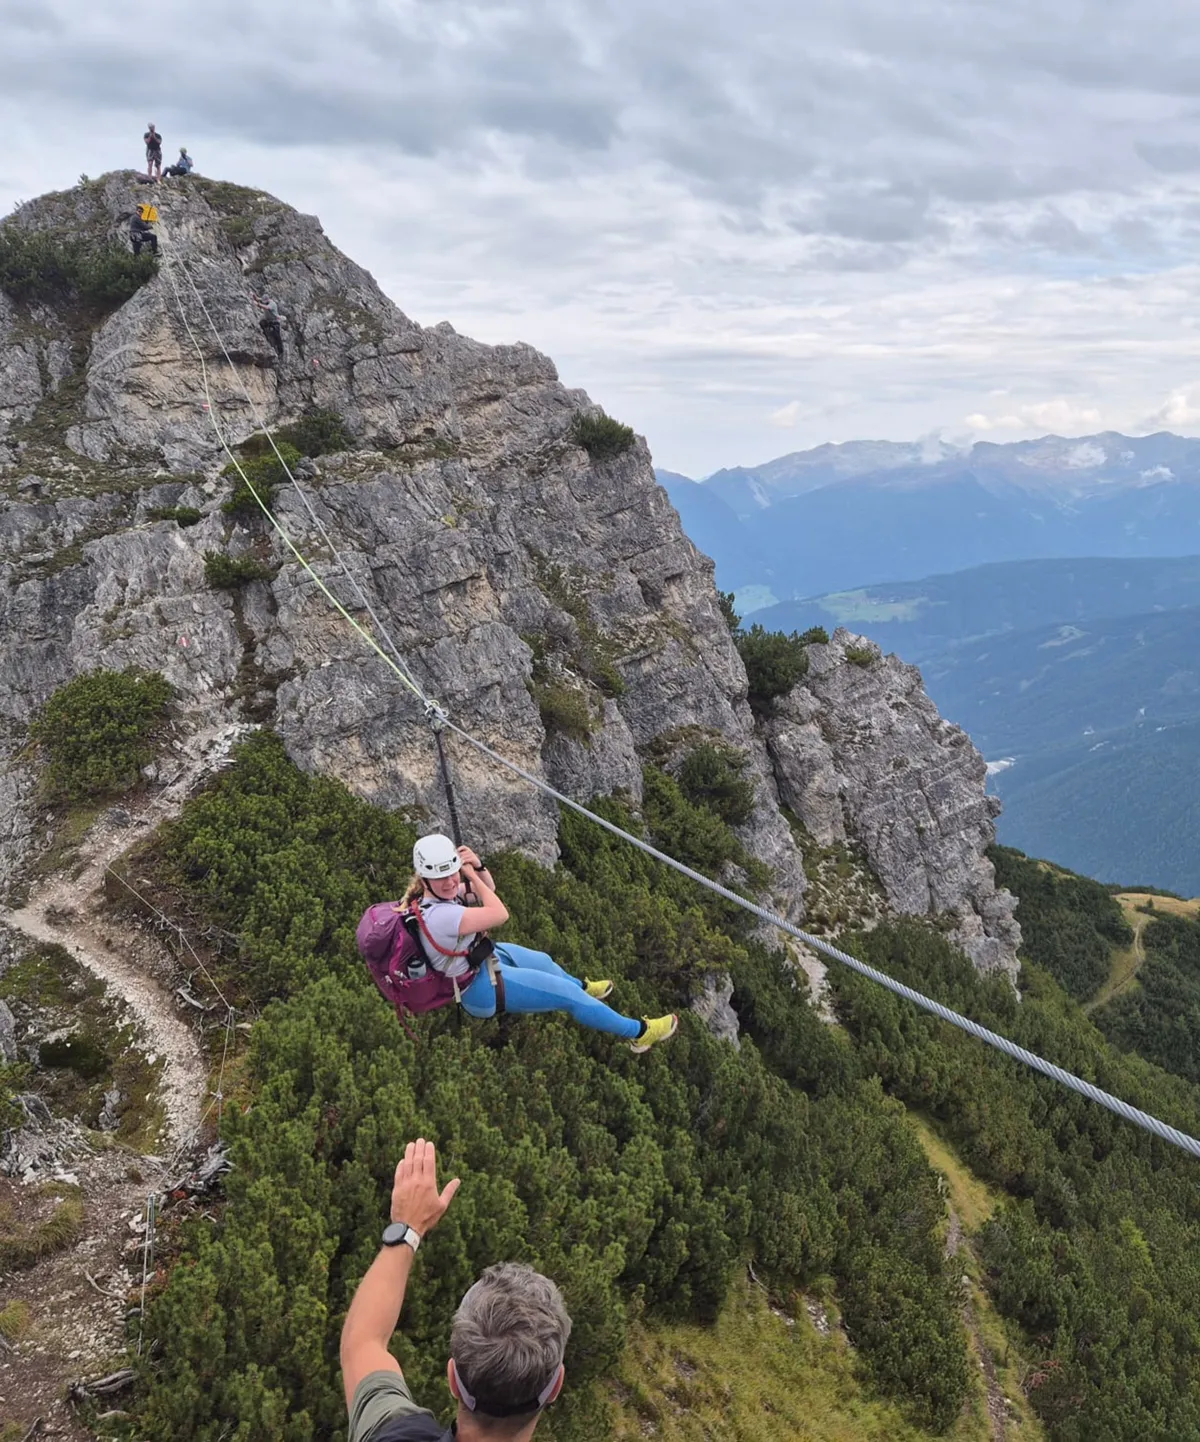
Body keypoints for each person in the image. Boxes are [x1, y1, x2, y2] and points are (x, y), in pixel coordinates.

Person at [341, 1138, 570, 1441]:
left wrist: (408, 1228)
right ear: (555, 1386)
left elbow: (362, 1342)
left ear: (452, 1378)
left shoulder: (396, 1434)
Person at [405, 834, 679, 1052]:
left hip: (481, 959)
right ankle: (640, 1033)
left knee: (543, 961)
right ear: (425, 880)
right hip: (479, 988)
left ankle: (584, 988)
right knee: (567, 996)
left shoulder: (438, 896)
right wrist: (471, 876)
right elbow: (499, 913)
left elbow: (490, 890)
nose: (450, 882)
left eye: (452, 873)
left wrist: (478, 867)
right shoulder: (441, 916)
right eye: (441, 877)